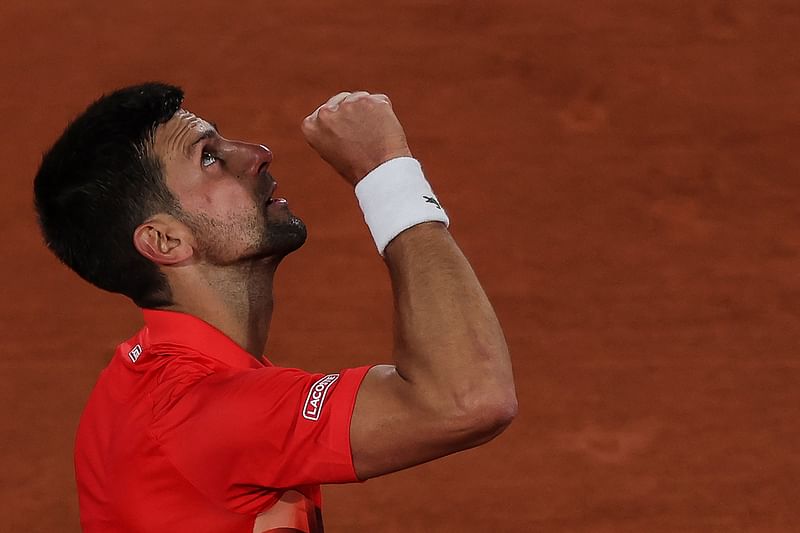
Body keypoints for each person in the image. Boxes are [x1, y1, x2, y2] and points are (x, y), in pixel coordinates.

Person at [33, 83, 517, 532]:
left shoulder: (150, 378)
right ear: (165, 240)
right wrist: (385, 171)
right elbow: (467, 399)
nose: (257, 154)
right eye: (208, 159)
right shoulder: (201, 415)